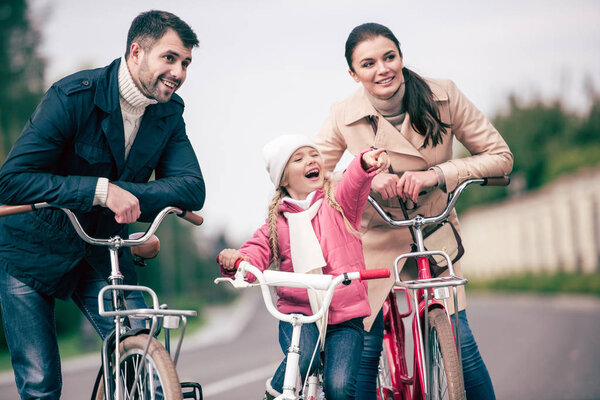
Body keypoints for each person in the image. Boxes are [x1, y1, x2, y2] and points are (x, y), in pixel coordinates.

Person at [0, 10, 205, 400]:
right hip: (29, 251)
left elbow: (191, 188)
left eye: (186, 63)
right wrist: (100, 191)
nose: (179, 72)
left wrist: (121, 193)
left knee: (145, 361)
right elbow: (11, 181)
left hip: (102, 250)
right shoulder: (73, 96)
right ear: (136, 51)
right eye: (170, 58)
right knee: (41, 385)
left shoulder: (168, 113)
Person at [314, 22, 514, 400]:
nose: (382, 69)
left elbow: (501, 156)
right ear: (353, 74)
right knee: (366, 350)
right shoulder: (343, 113)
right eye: (368, 63)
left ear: (402, 58)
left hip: (433, 228)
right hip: (377, 233)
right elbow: (313, 175)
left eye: (389, 57)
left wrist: (438, 174)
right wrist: (365, 179)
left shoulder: (444, 95)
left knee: (463, 347)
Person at [217, 134, 389, 400]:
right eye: (299, 158)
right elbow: (254, 252)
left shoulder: (339, 202)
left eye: (313, 154)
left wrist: (363, 163)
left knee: (340, 386)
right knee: (303, 359)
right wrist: (237, 261)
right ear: (284, 179)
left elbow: (354, 181)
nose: (311, 160)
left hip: (345, 317)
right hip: (298, 314)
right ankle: (275, 390)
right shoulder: (276, 224)